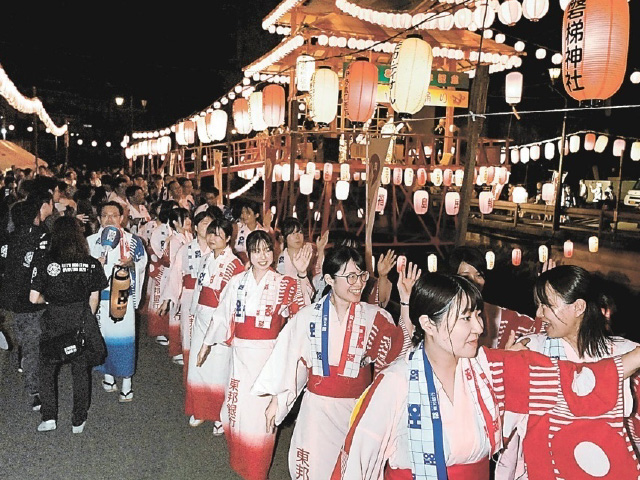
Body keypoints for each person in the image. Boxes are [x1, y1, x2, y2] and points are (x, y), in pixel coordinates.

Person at [333, 271, 640, 480]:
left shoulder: (491, 366)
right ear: (427, 323)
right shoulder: (395, 382)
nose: (480, 328)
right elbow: (357, 462)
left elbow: (572, 381)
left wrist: (636, 357)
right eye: (466, 318)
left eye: (478, 315)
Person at [251, 245, 411, 480]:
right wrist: (278, 400)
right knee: (314, 467)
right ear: (329, 279)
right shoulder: (308, 317)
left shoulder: (375, 316)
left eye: (362, 275)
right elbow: (292, 362)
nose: (358, 283)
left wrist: (405, 304)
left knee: (354, 470)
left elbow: (398, 354)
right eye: (351, 277)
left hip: (357, 410)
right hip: (317, 411)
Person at [494, 265, 640, 479]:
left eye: (547, 305)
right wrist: (506, 372)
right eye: (539, 305)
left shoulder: (621, 351)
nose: (538, 314)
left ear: (579, 307)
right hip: (544, 469)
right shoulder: (532, 349)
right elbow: (503, 419)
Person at [197, 230, 310, 479]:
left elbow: (304, 314)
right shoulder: (237, 282)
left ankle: (258, 470)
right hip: (239, 357)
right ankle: (240, 461)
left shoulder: (285, 284)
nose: (263, 256)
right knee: (235, 411)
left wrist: (302, 275)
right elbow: (222, 314)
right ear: (248, 254)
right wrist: (206, 343)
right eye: (257, 250)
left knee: (262, 421)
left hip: (268, 358)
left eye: (267, 250)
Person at [30, 216, 108, 433]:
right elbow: (94, 299)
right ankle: (78, 420)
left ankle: (49, 418)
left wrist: (51, 300)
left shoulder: (45, 262)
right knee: (80, 369)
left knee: (46, 368)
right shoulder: (91, 263)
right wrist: (84, 318)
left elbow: (33, 298)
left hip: (53, 319)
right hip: (80, 318)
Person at [185, 216, 244, 430]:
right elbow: (199, 290)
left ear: (228, 238)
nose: (213, 238)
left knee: (219, 369)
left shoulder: (235, 265)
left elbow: (233, 301)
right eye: (211, 233)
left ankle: (220, 415)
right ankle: (200, 409)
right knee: (198, 366)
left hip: (221, 322)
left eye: (219, 234)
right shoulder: (206, 258)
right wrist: (193, 312)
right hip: (201, 317)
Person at [87, 201, 147, 402]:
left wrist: (132, 264)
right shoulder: (90, 241)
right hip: (97, 298)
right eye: (105, 215)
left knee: (124, 340)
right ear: (99, 218)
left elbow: (142, 264)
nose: (109, 219)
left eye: (114, 215)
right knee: (101, 338)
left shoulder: (132, 241)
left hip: (121, 299)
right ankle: (108, 375)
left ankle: (127, 382)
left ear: (122, 218)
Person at [0, 193, 53, 411]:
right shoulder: (40, 236)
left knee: (23, 342)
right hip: (34, 300)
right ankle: (36, 391)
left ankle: (26, 370)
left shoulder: (7, 239)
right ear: (34, 217)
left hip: (10, 301)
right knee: (34, 347)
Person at [448, 246, 543, 348]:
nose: (473, 282)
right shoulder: (441, 317)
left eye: (479, 275)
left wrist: (545, 295)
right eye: (465, 277)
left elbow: (539, 333)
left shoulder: (498, 316)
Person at [159, 210, 213, 375]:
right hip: (189, 297)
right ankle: (191, 376)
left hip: (211, 300)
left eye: (211, 223)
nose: (208, 227)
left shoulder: (218, 250)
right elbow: (176, 275)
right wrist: (168, 299)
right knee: (189, 336)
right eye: (204, 223)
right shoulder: (186, 249)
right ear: (196, 227)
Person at [157, 207, 192, 363]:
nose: (189, 221)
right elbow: (173, 264)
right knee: (175, 315)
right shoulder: (173, 240)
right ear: (175, 222)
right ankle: (175, 350)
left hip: (186, 279)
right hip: (174, 277)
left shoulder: (189, 236)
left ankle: (181, 347)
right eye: (185, 218)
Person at [276, 217, 316, 301]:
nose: (297, 237)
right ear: (284, 238)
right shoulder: (282, 257)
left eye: (300, 232)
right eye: (292, 233)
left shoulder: (310, 252)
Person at [233, 199, 271, 264]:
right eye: (242, 213)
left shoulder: (263, 232)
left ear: (257, 215)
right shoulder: (238, 229)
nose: (244, 216)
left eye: (248, 213)